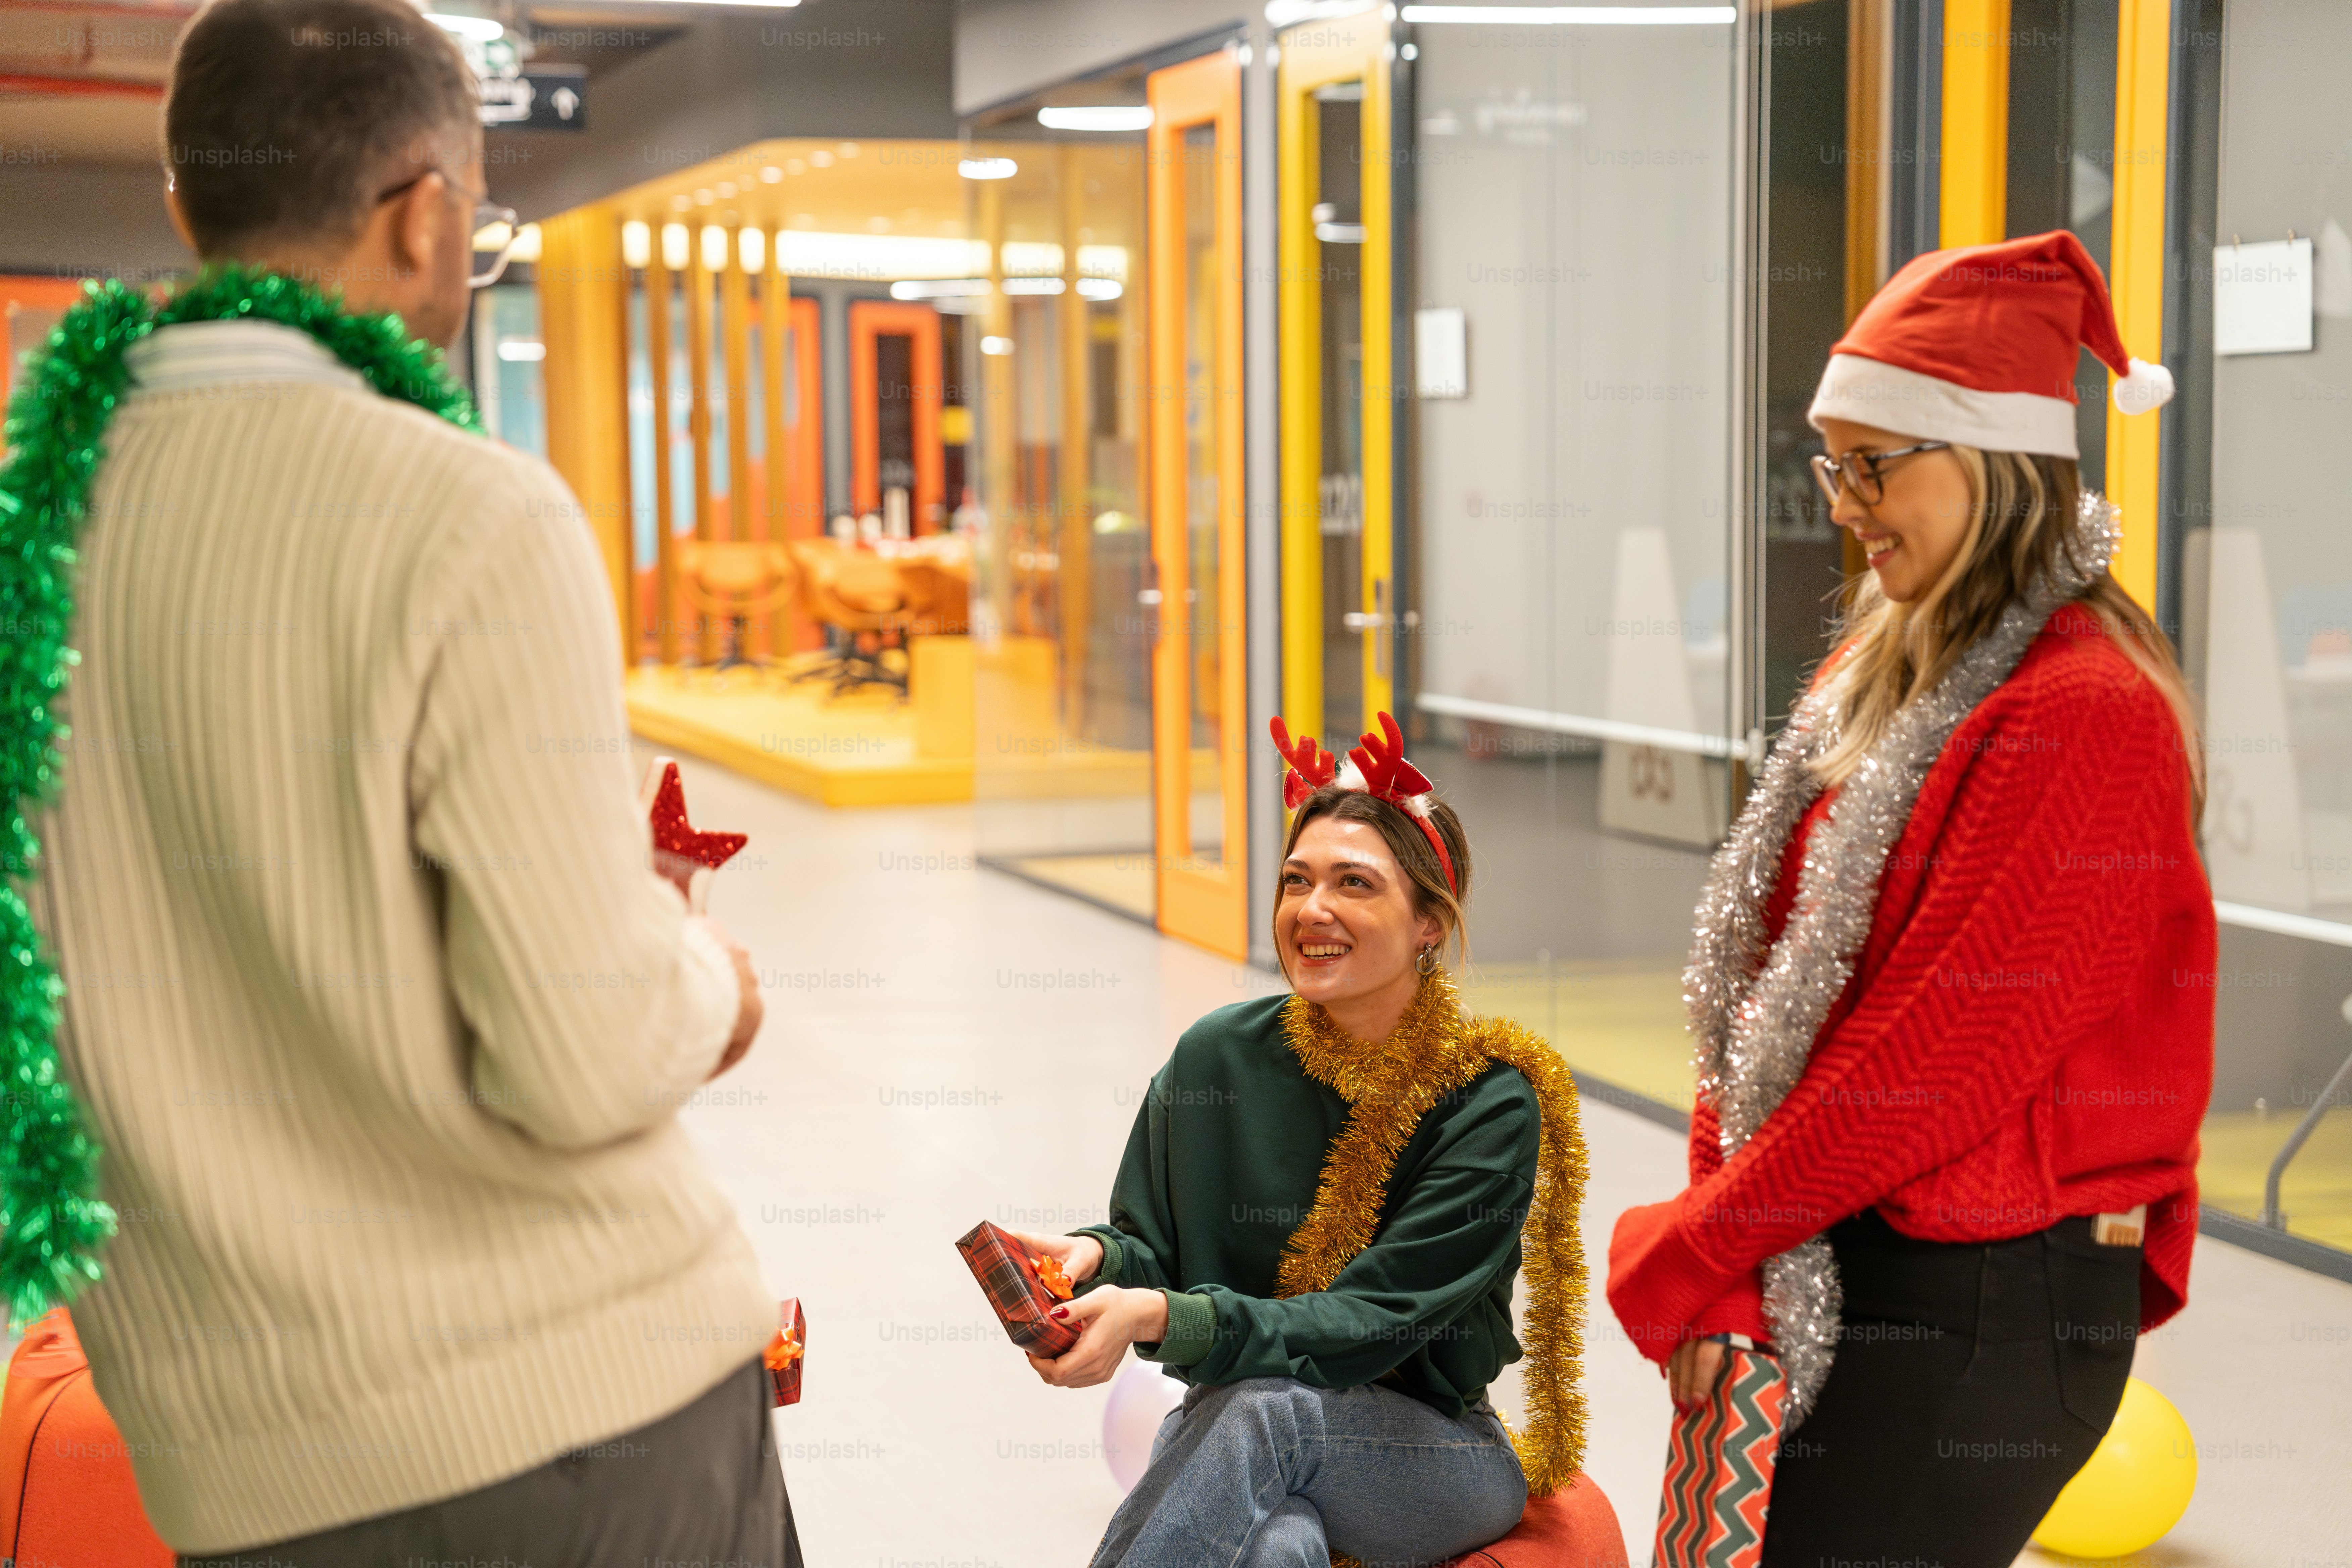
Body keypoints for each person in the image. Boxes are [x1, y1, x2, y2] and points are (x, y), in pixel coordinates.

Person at [12, 1, 796, 1561]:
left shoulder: (33, 541)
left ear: (188, 208)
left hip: (237, 1465)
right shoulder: (472, 514)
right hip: (583, 1426)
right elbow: (576, 1051)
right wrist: (706, 973)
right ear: (426, 211)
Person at [1607, 230, 2214, 1565]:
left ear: (1993, 464)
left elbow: (1933, 1059)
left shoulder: (2086, 710)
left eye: (1876, 464)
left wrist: (1706, 1239)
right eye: (1835, 464)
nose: (1844, 501)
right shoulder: (1877, 675)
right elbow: (1760, 985)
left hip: (1980, 1297)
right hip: (1827, 1241)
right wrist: (1734, 1263)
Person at [1011, 714, 1590, 1567]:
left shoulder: (1487, 1098)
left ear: (1431, 922)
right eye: (1296, 880)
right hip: (1236, 1419)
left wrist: (1163, 1314)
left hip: (1434, 1452)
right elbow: (1154, 1252)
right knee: (1279, 1545)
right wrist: (1094, 1261)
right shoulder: (1217, 1055)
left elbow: (1371, 1321)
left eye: (1355, 883)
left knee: (1265, 1408)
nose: (1313, 909)